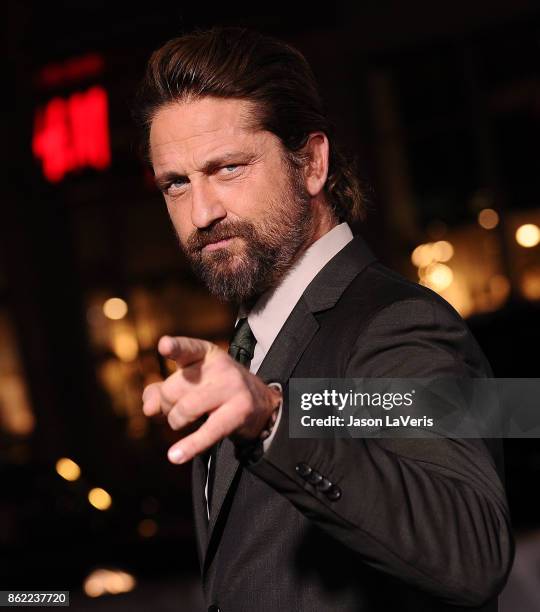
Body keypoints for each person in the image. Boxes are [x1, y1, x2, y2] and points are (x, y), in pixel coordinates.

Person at [136, 26, 514, 612]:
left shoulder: (402, 322)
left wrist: (272, 421)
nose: (201, 212)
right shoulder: (247, 347)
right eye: (176, 183)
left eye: (228, 168)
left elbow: (475, 549)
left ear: (311, 163)